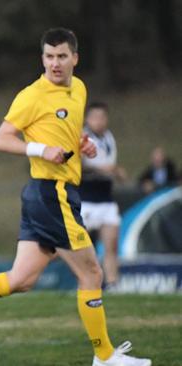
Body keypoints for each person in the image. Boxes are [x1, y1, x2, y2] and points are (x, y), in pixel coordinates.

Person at [0, 28, 151, 366]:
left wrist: (82, 143)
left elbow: (70, 131)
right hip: (49, 192)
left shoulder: (80, 89)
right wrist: (41, 149)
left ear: (75, 57)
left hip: (49, 195)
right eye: (48, 56)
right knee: (92, 274)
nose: (54, 63)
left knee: (21, 280)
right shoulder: (32, 96)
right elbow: (1, 139)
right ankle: (104, 357)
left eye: (61, 56)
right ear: (42, 58)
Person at [79, 102, 127, 287]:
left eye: (102, 117)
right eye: (95, 117)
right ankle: (82, 284)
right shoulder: (81, 137)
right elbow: (80, 165)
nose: (99, 121)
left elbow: (110, 165)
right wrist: (107, 169)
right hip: (86, 200)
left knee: (111, 246)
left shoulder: (108, 137)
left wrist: (116, 172)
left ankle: (113, 283)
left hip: (106, 200)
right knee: (78, 248)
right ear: (87, 119)